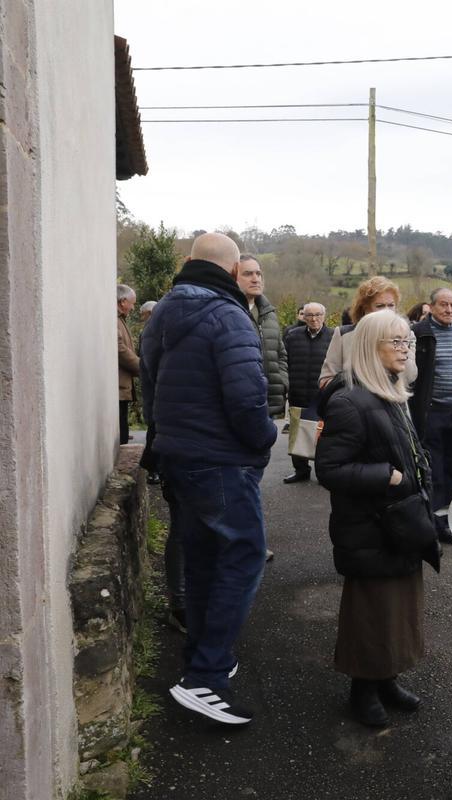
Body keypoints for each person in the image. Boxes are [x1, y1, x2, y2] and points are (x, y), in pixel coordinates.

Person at [140, 231, 277, 725]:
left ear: (190, 261)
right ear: (233, 269)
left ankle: (201, 656)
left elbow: (149, 388)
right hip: (220, 462)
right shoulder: (228, 315)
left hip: (177, 456)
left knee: (201, 561)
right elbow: (247, 398)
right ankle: (206, 677)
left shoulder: (162, 313)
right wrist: (265, 438)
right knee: (244, 557)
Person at [315, 310, 438, 728]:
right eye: (396, 342)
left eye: (408, 342)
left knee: (397, 613)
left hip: (399, 525)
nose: (406, 350)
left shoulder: (390, 390)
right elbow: (329, 469)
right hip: (371, 528)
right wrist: (387, 476)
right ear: (371, 347)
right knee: (371, 614)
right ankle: (362, 689)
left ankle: (387, 679)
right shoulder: (350, 401)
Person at [410, 288, 452, 544]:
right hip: (432, 413)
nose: (449, 310)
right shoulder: (419, 333)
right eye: (443, 305)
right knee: (435, 471)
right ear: (431, 306)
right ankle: (436, 525)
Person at [320, 276, 413, 389]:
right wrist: (352, 386)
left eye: (391, 305)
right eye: (380, 306)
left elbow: (410, 377)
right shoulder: (344, 335)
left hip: (391, 398)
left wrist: (396, 342)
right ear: (365, 309)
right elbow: (325, 380)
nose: (387, 311)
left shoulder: (406, 335)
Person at [282, 302, 334, 483]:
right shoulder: (292, 336)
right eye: (309, 315)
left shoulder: (333, 336)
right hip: (297, 393)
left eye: (318, 314)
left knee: (324, 436)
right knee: (297, 434)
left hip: (324, 395)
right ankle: (301, 470)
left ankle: (323, 472)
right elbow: (283, 362)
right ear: (303, 317)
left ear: (324, 316)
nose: (314, 319)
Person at [237, 255, 288, 419]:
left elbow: (280, 354)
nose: (255, 279)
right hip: (240, 407)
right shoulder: (228, 312)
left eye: (258, 273)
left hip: (270, 408)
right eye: (248, 274)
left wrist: (282, 382)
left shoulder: (269, 313)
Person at [117, 284, 140, 445]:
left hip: (122, 384)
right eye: (132, 303)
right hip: (119, 385)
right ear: (123, 301)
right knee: (121, 431)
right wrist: (141, 366)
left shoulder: (120, 320)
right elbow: (120, 349)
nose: (133, 307)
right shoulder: (115, 320)